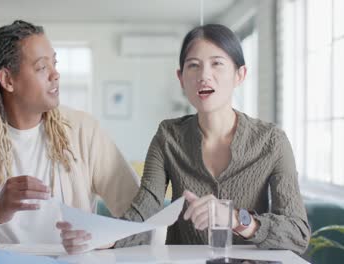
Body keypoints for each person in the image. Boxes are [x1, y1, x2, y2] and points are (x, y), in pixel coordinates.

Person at [64, 24, 310, 254]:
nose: (204, 75)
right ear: (181, 78)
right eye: (193, 65)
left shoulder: (272, 141)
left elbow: (297, 234)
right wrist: (107, 237)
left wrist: (236, 219)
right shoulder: (168, 136)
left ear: (240, 74)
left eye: (217, 64)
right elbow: (146, 208)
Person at [0, 20, 139, 252]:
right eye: (42, 67)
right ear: (8, 80)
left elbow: (143, 216)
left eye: (54, 64)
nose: (56, 74)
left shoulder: (84, 131)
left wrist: (104, 239)